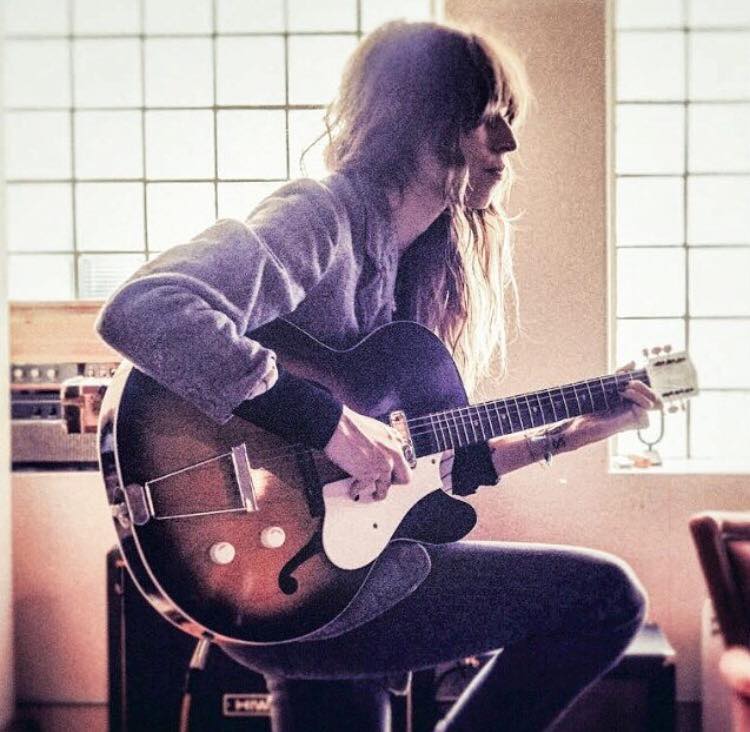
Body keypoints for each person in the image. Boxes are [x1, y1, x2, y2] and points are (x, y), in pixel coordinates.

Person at [96, 20, 660, 732]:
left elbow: (429, 470)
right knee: (606, 599)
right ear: (422, 116)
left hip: (327, 573)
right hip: (287, 571)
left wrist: (565, 437)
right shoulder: (319, 218)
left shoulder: (410, 265)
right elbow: (146, 308)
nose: (508, 145)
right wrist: (331, 425)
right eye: (488, 118)